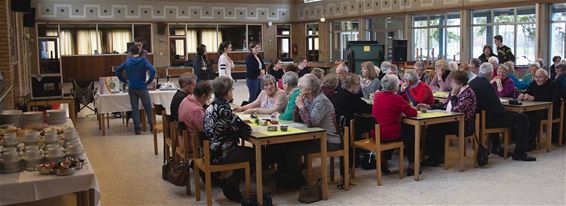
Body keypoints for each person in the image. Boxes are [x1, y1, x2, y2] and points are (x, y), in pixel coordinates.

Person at [275, 74, 340, 188]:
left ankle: (295, 180)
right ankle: (292, 175)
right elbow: (297, 119)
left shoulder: (321, 101)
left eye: (301, 87)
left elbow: (311, 123)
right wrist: (297, 105)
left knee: (293, 150)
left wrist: (301, 106)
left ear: (309, 90)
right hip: (316, 137)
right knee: (285, 145)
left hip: (330, 141)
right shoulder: (308, 98)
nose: (299, 88)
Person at [468, 63, 535, 161]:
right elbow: (498, 109)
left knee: (495, 114)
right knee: (522, 117)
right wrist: (505, 112)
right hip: (488, 121)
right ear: (491, 73)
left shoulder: (472, 83)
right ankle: (519, 153)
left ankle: (496, 146)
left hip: (477, 119)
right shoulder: (487, 85)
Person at [204, 76, 254, 202]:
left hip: (212, 149)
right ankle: (231, 184)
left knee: (246, 152)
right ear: (226, 92)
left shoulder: (211, 106)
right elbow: (244, 129)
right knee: (255, 155)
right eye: (231, 89)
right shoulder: (223, 109)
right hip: (222, 152)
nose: (232, 91)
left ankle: (232, 182)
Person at [422, 70, 477, 167]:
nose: (450, 84)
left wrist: (454, 96)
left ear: (459, 83)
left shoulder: (468, 93)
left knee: (436, 128)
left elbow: (456, 111)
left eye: (452, 82)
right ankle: (432, 155)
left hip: (463, 124)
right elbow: (445, 105)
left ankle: (436, 157)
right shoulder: (455, 90)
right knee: (432, 127)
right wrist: (430, 107)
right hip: (451, 120)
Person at [372, 74, 418, 175]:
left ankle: (385, 159)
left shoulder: (377, 96)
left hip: (377, 132)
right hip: (390, 134)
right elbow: (413, 113)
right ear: (395, 86)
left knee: (396, 130)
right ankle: (412, 165)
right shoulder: (396, 98)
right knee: (411, 133)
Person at [115, 45, 156, 135]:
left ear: (130, 52)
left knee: (134, 108)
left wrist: (125, 80)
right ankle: (152, 127)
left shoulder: (127, 62)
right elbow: (152, 70)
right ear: (139, 52)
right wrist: (148, 81)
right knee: (148, 107)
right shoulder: (143, 60)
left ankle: (137, 129)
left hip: (132, 87)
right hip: (142, 87)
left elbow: (117, 71)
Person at [518, 69, 559, 150]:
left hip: (550, 110)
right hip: (535, 109)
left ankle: (531, 142)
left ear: (546, 77)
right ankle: (521, 141)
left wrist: (534, 98)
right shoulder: (533, 83)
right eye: (536, 77)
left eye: (540, 77)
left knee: (532, 116)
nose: (537, 79)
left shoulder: (553, 85)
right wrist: (523, 96)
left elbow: (552, 99)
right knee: (521, 115)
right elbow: (527, 92)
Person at [178, 80, 213, 150]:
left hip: (183, 139)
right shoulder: (196, 111)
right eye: (209, 97)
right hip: (194, 144)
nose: (208, 100)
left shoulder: (185, 99)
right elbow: (206, 129)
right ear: (203, 96)